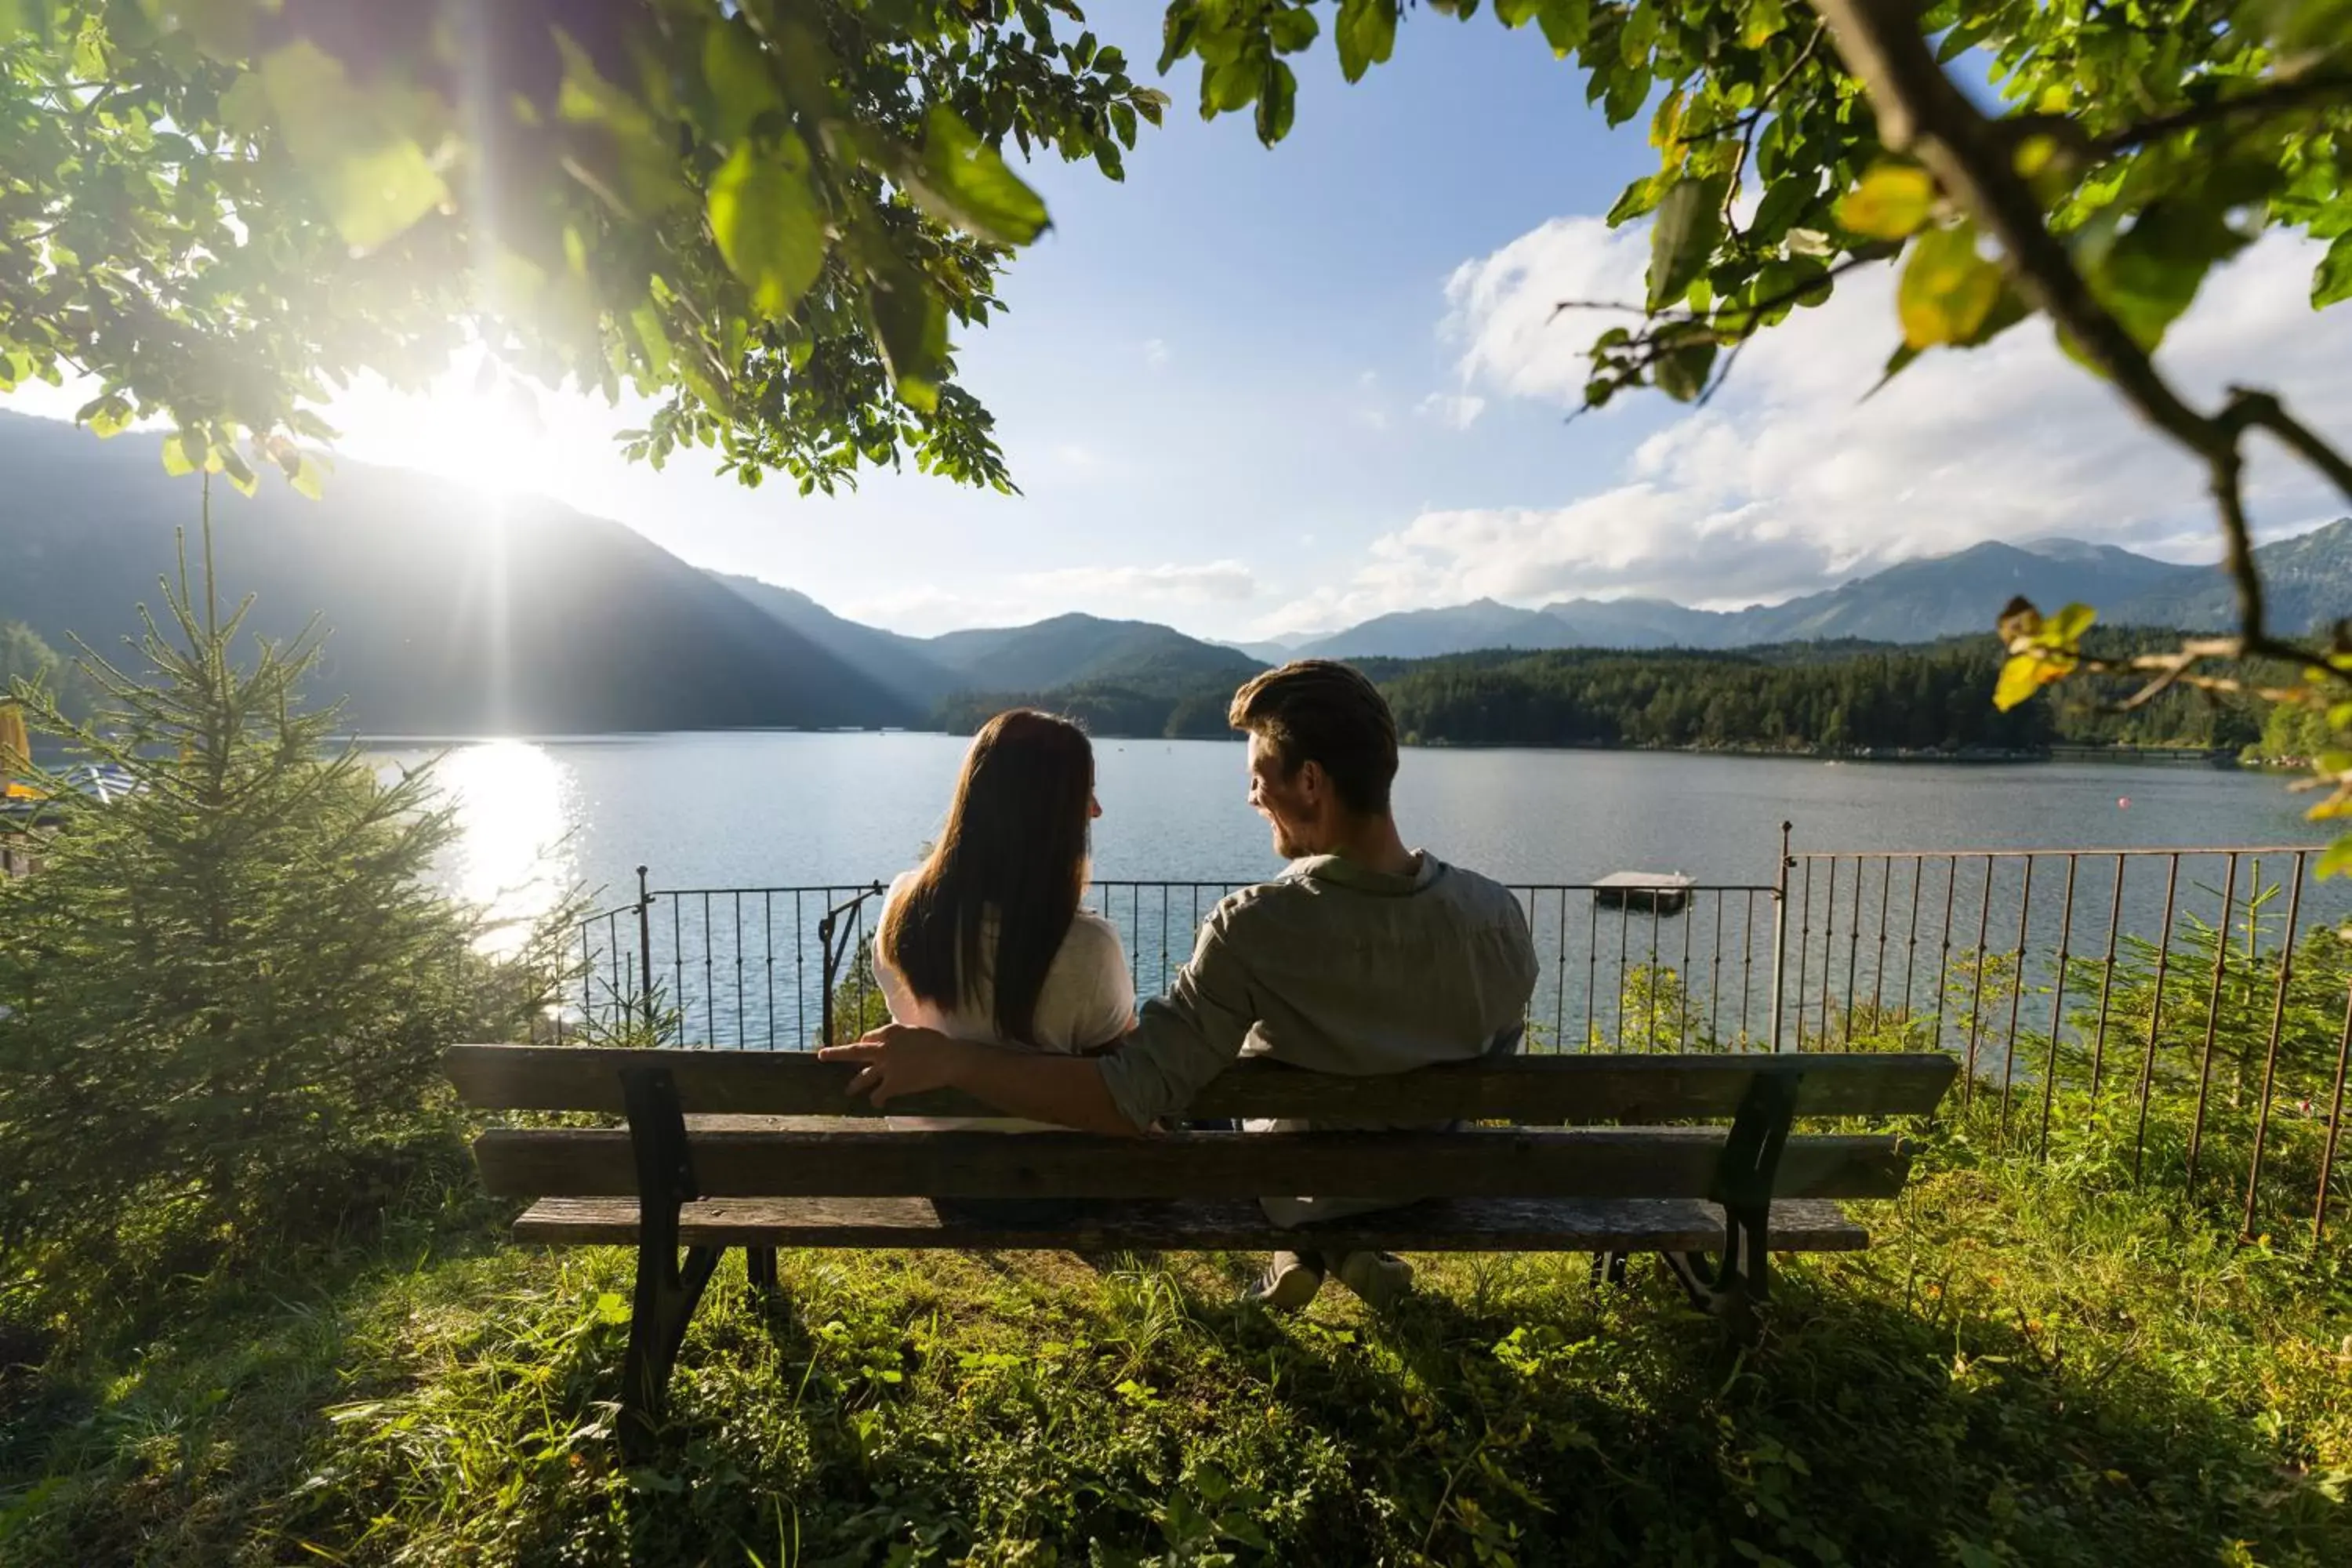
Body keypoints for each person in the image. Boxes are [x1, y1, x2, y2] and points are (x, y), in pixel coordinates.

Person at [823, 661, 1538, 1310]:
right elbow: (1492, 1067)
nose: (1253, 795)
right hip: (1429, 1178)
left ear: (1311, 783)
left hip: (1297, 1185)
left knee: (1206, 1089)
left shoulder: (1258, 928)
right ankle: (1338, 1244)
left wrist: (953, 1061)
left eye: (1260, 774)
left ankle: (1313, 1239)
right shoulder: (1498, 919)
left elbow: (1133, 1092)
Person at [869, 709, 1135, 1221]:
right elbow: (1120, 1075)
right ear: (1048, 812)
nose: (1096, 810)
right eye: (1085, 792)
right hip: (1061, 1184)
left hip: (936, 1173)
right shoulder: (1087, 945)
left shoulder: (903, 907)